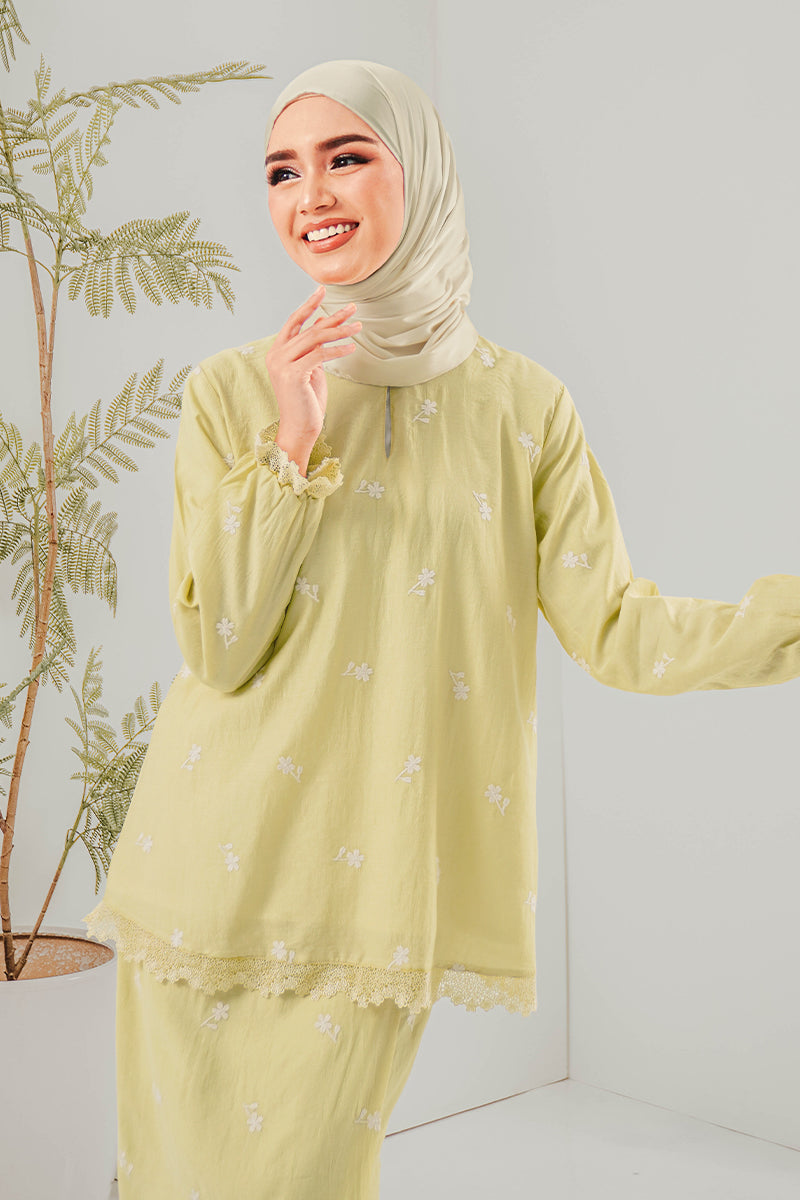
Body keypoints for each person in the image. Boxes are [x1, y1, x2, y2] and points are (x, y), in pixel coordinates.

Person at [83, 59, 800, 1199]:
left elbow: (620, 629)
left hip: (371, 884)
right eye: (281, 172)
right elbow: (216, 642)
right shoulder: (231, 391)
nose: (311, 195)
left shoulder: (524, 408)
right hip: (206, 874)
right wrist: (291, 440)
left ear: (421, 173)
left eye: (346, 157)